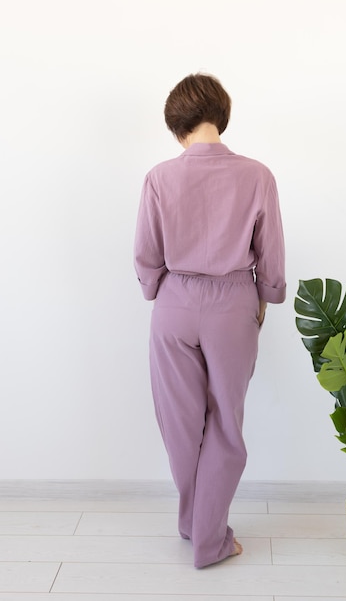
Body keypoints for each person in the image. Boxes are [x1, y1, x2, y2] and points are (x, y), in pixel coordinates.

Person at [134, 73, 286, 568]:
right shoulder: (258, 174)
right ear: (220, 115)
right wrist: (266, 295)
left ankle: (192, 524)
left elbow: (147, 255)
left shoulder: (159, 176)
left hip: (174, 303)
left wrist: (159, 290)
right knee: (225, 425)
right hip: (232, 305)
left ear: (177, 124)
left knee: (180, 425)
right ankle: (210, 537)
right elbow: (271, 253)